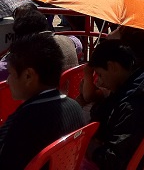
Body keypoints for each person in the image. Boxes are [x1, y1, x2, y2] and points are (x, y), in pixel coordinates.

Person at [0, 34, 86, 170]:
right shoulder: (76, 108)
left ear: (28, 76)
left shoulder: (22, 120)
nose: (8, 81)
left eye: (11, 73)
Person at [85, 39, 144, 170]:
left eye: (100, 74)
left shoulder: (132, 104)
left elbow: (113, 160)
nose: (98, 82)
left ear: (113, 67)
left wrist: (89, 145)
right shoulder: (140, 78)